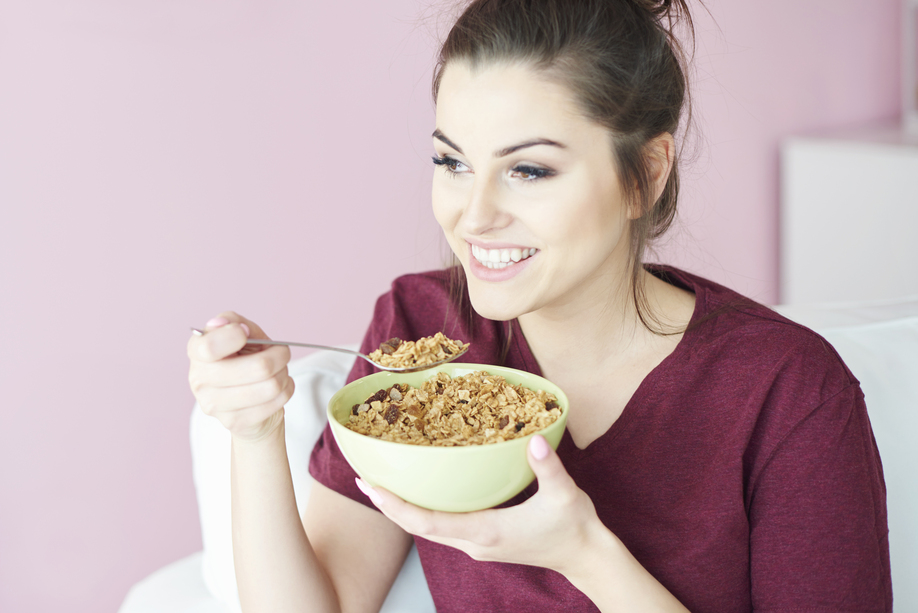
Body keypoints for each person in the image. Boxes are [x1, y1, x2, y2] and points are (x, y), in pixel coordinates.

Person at [187, 0, 892, 611]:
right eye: (452, 162)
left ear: (644, 174)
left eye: (528, 170)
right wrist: (252, 436)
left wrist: (585, 553)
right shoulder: (423, 327)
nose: (474, 215)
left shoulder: (790, 389)